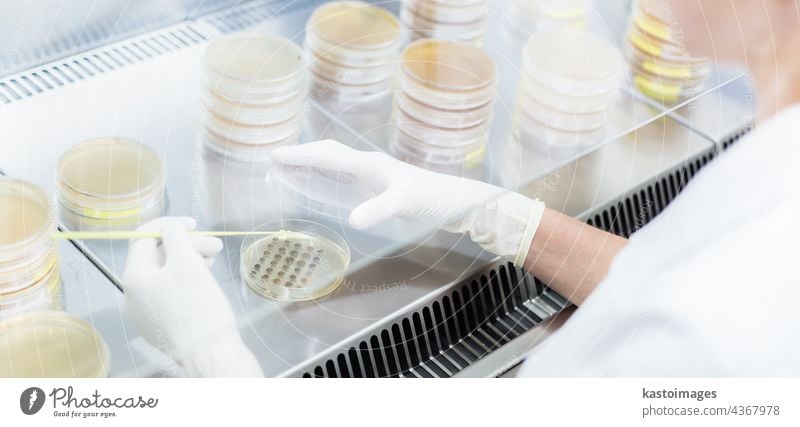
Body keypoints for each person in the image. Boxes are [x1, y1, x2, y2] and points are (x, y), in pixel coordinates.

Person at [123, 0, 800, 377]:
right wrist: (493, 214)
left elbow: (685, 320)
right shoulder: (778, 154)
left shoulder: (706, 347)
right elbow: (654, 285)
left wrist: (215, 358)